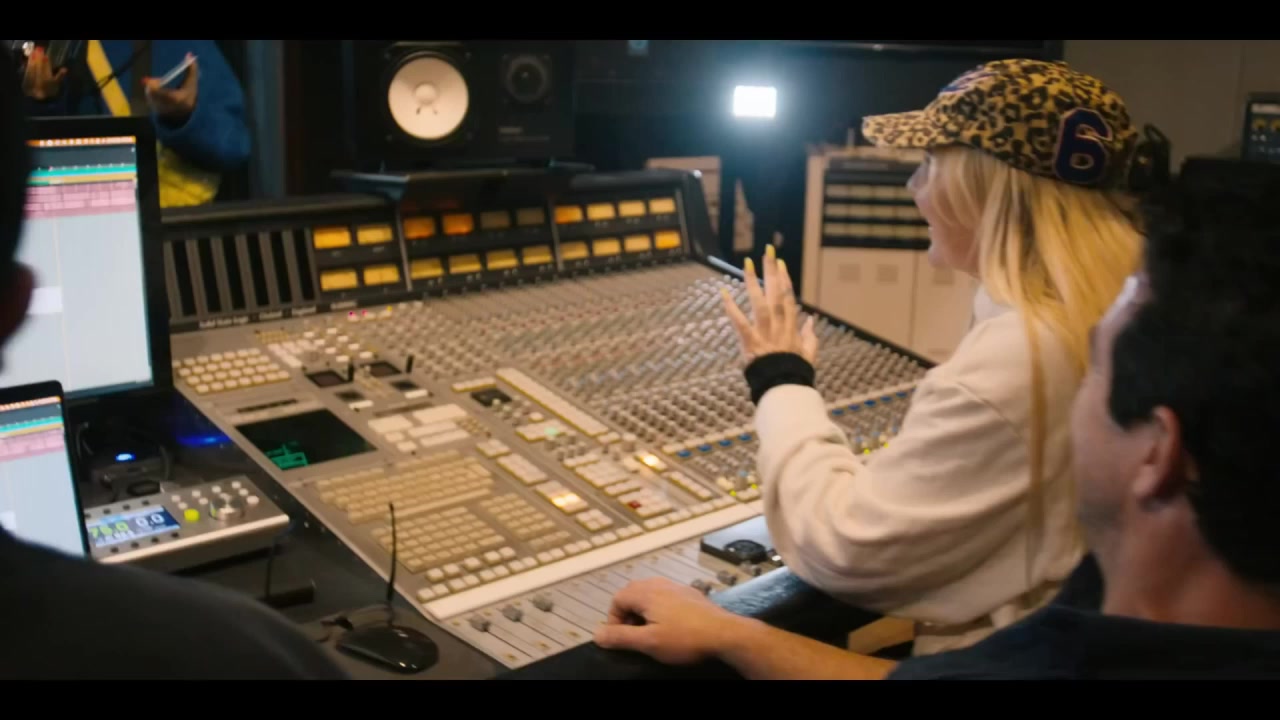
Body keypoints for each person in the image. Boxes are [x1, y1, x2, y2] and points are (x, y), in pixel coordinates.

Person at [594, 157, 1280, 679]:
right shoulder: (1108, 621)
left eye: (1095, 368)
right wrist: (736, 633)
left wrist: (730, 632)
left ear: (1159, 451)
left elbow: (846, 548)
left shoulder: (1079, 649)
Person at [712, 58, 1145, 654]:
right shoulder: (1132, 305)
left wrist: (779, 377)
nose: (914, 187)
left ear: (981, 189)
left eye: (930, 165)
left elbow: (846, 548)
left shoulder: (1020, 357)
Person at [0, 47, 345, 680]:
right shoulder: (248, 655)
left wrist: (183, 116)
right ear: (20, 303)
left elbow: (234, 142)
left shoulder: (176, 48)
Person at [21, 39, 250, 207]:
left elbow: (234, 147)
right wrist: (42, 103)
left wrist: (183, 116)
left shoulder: (178, 45)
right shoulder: (48, 50)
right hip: (83, 224)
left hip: (178, 232)